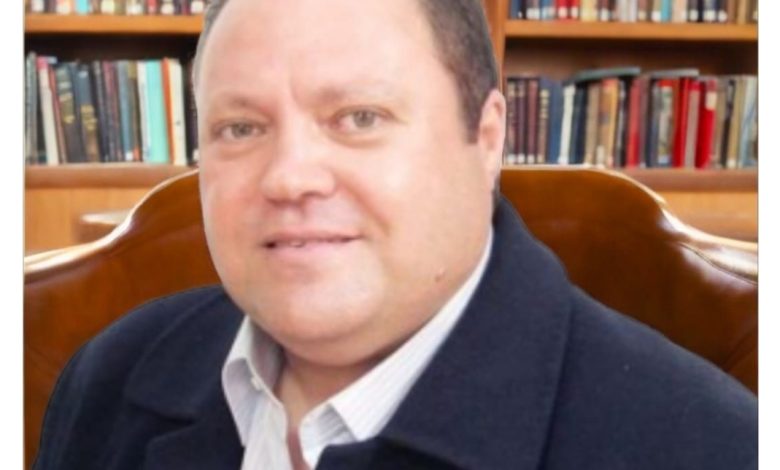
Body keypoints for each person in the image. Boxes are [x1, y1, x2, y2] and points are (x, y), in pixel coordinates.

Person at [34, 0, 757, 469]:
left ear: (487, 138)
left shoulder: (709, 447)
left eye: (360, 118)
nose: (288, 177)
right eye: (240, 127)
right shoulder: (108, 376)